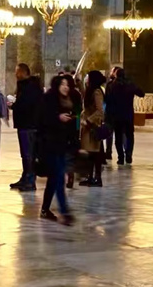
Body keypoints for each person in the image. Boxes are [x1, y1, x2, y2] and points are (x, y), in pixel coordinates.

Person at [39, 75, 80, 224]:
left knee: (54, 178)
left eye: (67, 84)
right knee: (59, 177)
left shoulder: (69, 101)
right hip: (50, 144)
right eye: (63, 84)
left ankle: (45, 209)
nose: (65, 87)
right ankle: (64, 211)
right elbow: (43, 120)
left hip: (63, 144)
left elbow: (74, 122)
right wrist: (58, 118)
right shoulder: (49, 98)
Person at [9, 63, 42, 191]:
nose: (15, 74)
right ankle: (25, 177)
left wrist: (13, 105)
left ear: (23, 72)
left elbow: (26, 105)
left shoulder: (31, 87)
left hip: (29, 124)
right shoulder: (25, 86)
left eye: (17, 71)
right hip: (24, 124)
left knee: (29, 154)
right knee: (25, 154)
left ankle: (30, 180)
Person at [105, 68, 144, 165]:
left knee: (118, 137)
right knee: (130, 135)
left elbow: (107, 100)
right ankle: (129, 154)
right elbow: (141, 93)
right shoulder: (130, 85)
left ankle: (121, 157)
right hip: (128, 114)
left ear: (116, 75)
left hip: (116, 115)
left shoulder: (111, 85)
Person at [79, 70, 107, 187]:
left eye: (88, 77)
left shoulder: (97, 92)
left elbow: (100, 111)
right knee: (90, 153)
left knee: (95, 153)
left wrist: (88, 121)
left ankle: (97, 178)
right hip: (87, 126)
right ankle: (90, 177)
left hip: (92, 127)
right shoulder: (89, 90)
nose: (86, 78)